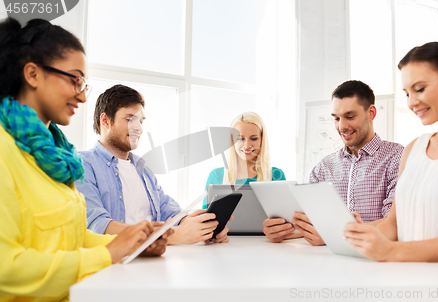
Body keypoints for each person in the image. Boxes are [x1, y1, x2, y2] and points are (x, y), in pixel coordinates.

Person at [0, 18, 165, 302]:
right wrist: (108, 252)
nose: (83, 95)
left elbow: (71, 236)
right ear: (33, 74)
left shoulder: (56, 157)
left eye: (84, 83)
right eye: (74, 79)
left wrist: (130, 244)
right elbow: (6, 269)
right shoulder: (5, 152)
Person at [344, 42, 438, 291]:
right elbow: (393, 224)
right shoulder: (414, 149)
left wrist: (392, 251)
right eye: (407, 93)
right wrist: (358, 234)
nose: (412, 102)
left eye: (419, 89)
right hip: (409, 287)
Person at [76, 84, 229, 244]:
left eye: (141, 121)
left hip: (157, 260)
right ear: (105, 121)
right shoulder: (82, 165)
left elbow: (169, 210)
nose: (138, 128)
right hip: (118, 263)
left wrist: (200, 226)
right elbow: (96, 225)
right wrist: (172, 236)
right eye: (130, 120)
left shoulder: (142, 168)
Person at [264, 80, 404, 245]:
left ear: (371, 113)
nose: (342, 126)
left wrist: (334, 234)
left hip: (375, 262)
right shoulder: (324, 167)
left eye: (350, 116)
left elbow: (394, 225)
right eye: (336, 118)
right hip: (328, 263)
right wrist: (282, 231)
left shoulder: (397, 157)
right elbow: (311, 223)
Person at [203, 112, 286, 209]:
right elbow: (205, 219)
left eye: (254, 138)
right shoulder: (216, 176)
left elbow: (285, 216)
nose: (247, 145)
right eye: (240, 138)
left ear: (262, 140)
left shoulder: (276, 175)